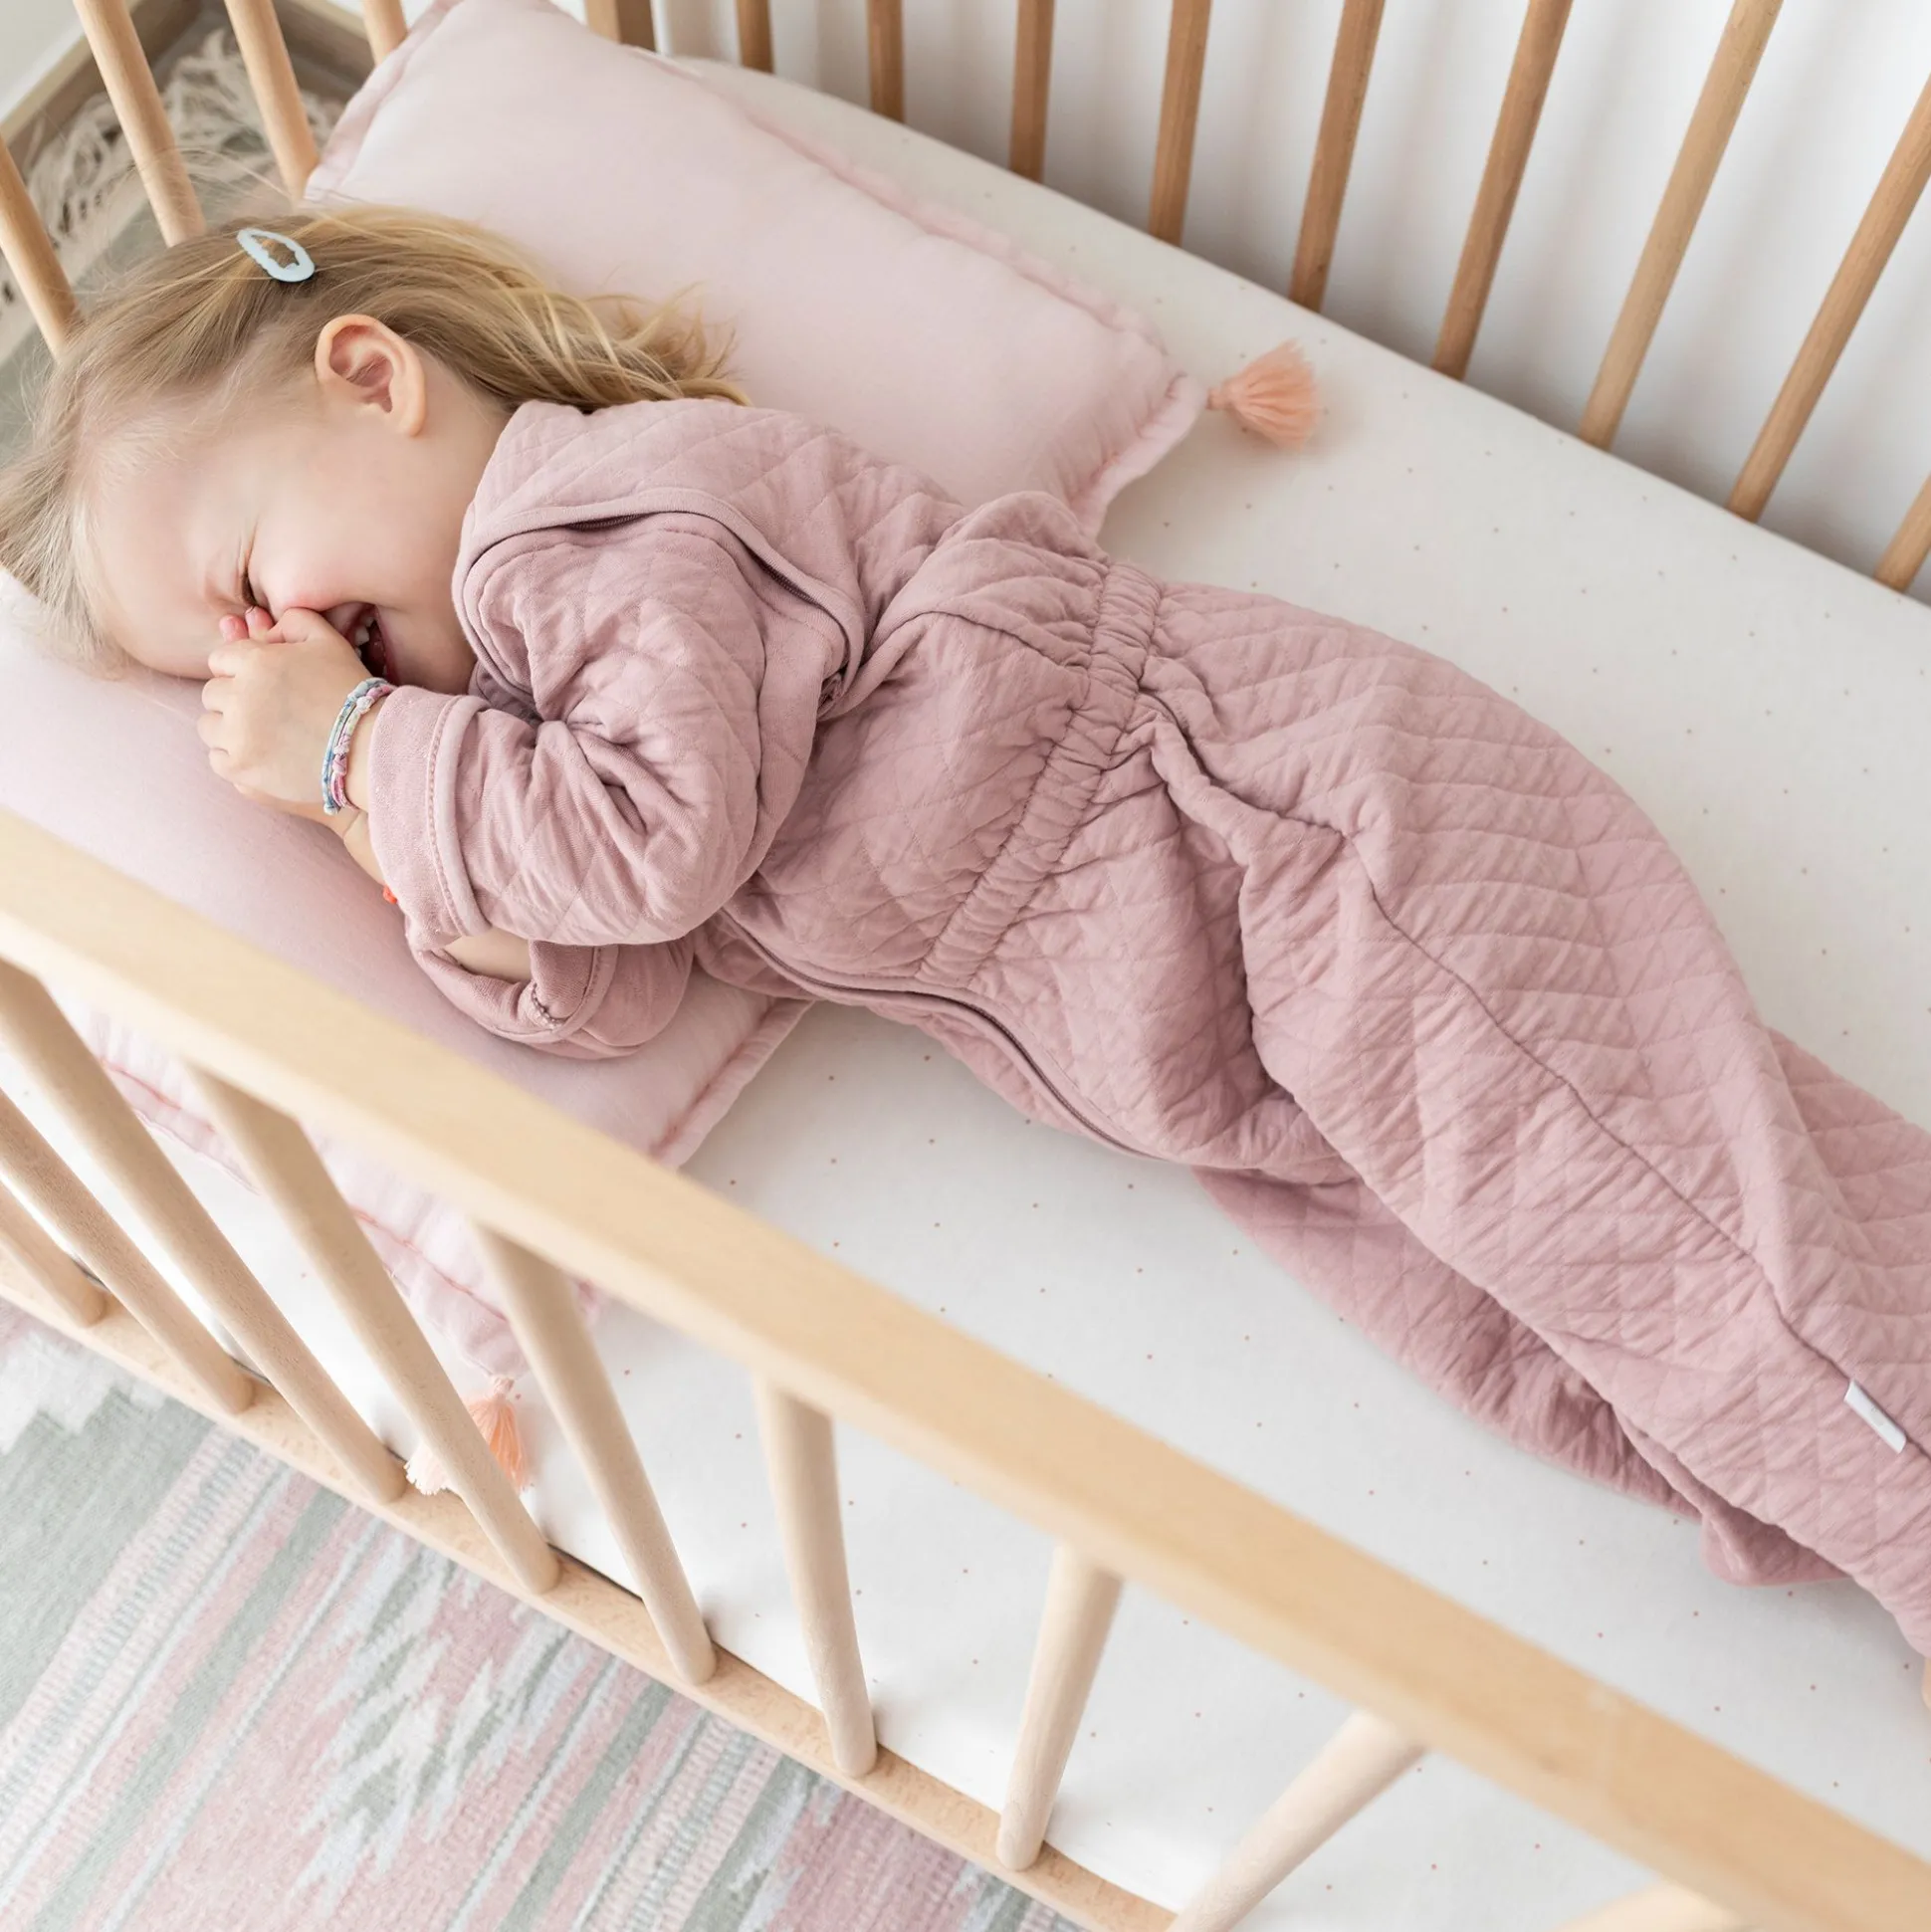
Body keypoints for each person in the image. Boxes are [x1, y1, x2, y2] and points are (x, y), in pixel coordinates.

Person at [6, 205, 1929, 1653]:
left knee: (1654, 1239)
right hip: (1197, 1040)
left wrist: (364, 743)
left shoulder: (600, 516)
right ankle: (1839, 1482)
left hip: (1288, 850)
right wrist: (370, 799)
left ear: (372, 380)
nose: (268, 654)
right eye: (222, 657)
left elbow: (652, 844)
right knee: (1552, 1327)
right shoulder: (507, 715)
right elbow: (605, 984)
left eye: (254, 588)